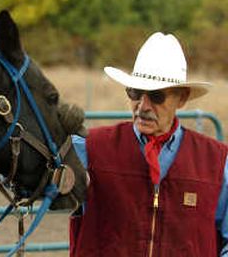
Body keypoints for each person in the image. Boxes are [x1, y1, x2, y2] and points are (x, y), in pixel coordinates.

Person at [69, 32, 228, 257]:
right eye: (135, 93)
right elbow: (31, 174)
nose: (142, 106)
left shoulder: (218, 162)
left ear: (181, 98)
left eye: (156, 96)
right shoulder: (88, 148)